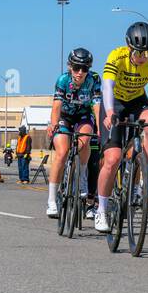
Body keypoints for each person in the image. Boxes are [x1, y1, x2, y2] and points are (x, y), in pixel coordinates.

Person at [91, 22, 148, 232]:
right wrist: (109, 113)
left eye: (147, 52)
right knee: (113, 158)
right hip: (114, 102)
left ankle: (145, 175)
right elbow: (107, 86)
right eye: (138, 52)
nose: (143, 57)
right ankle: (101, 209)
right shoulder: (116, 57)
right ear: (128, 47)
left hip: (137, 100)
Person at [46, 47, 100, 218]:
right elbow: (56, 106)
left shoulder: (92, 81)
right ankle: (52, 200)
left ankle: (82, 176)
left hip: (83, 116)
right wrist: (54, 124)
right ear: (70, 67)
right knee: (62, 153)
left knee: (85, 140)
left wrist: (100, 129)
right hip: (65, 117)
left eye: (85, 68)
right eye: (77, 68)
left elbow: (97, 106)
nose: (80, 72)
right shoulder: (63, 80)